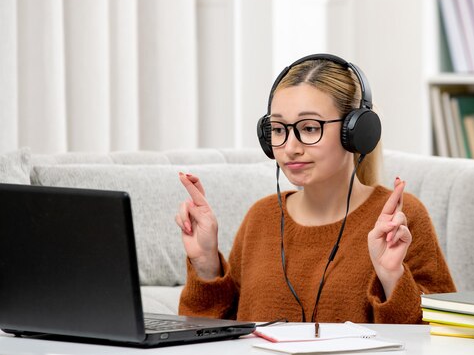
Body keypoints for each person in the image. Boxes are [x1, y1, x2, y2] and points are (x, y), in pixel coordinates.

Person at [175, 54, 455, 324]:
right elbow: (211, 336)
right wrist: (206, 263)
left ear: (355, 131)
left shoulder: (399, 220)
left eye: (309, 128)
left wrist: (392, 276)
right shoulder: (261, 218)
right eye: (278, 129)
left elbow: (441, 337)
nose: (290, 148)